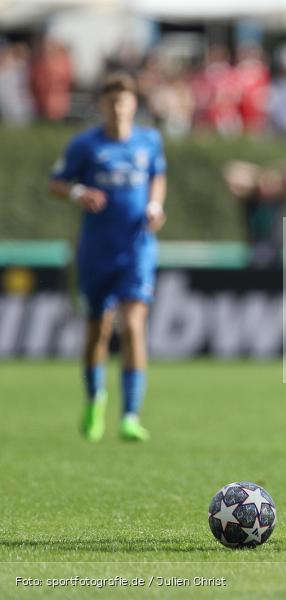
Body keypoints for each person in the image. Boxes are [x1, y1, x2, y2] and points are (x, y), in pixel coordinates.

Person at [49, 72, 167, 442]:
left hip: (137, 249)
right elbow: (57, 182)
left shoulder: (150, 140)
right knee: (97, 331)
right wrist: (78, 192)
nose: (118, 108)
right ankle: (94, 399)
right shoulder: (85, 145)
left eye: (125, 101)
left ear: (134, 105)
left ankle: (130, 415)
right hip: (97, 252)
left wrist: (155, 205)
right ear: (102, 105)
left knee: (133, 326)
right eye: (112, 102)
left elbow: (158, 176)